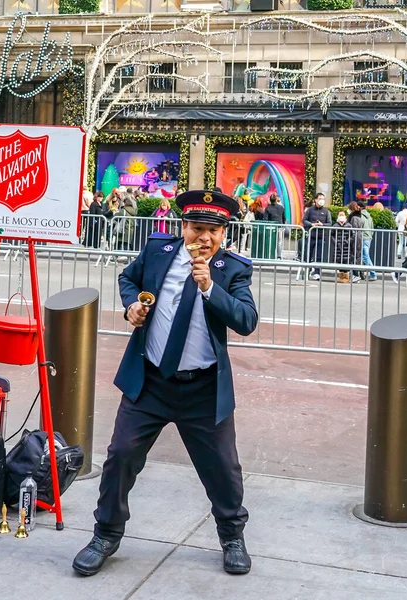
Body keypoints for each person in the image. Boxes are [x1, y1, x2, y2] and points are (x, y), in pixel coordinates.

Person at [72, 190, 258, 578]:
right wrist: (131, 306)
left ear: (224, 233)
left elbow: (245, 320)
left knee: (223, 468)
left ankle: (231, 535)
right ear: (183, 227)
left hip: (202, 389)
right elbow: (128, 277)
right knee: (120, 456)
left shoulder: (232, 269)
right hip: (150, 381)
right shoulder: (158, 251)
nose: (204, 238)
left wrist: (209, 288)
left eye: (213, 231)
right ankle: (105, 534)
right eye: (197, 229)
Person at [303, 192, 331, 279]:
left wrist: (322, 225)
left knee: (319, 255)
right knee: (308, 254)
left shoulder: (326, 211)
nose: (321, 201)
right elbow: (304, 220)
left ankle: (317, 272)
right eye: (320, 199)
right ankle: (307, 271)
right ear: (315, 200)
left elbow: (329, 223)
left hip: (321, 236)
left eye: (323, 199)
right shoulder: (310, 210)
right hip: (311, 235)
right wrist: (311, 224)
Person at [332, 210, 353, 283]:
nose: (341, 217)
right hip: (338, 246)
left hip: (346, 247)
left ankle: (346, 277)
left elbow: (352, 236)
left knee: (346, 261)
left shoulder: (349, 225)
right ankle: (341, 277)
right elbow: (332, 235)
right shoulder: (335, 225)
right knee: (339, 261)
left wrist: (347, 241)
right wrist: (335, 242)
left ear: (345, 216)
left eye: (342, 215)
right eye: (340, 215)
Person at [358, 201, 377, 281]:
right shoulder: (369, 216)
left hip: (363, 237)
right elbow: (372, 228)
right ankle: (362, 273)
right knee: (364, 256)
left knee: (365, 257)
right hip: (368, 238)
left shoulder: (360, 216)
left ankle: (373, 274)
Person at [347, 201, 363, 283]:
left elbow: (353, 230)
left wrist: (350, 239)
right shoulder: (359, 216)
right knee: (357, 256)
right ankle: (357, 274)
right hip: (358, 238)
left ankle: (356, 275)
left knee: (354, 256)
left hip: (355, 239)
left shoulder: (353, 218)